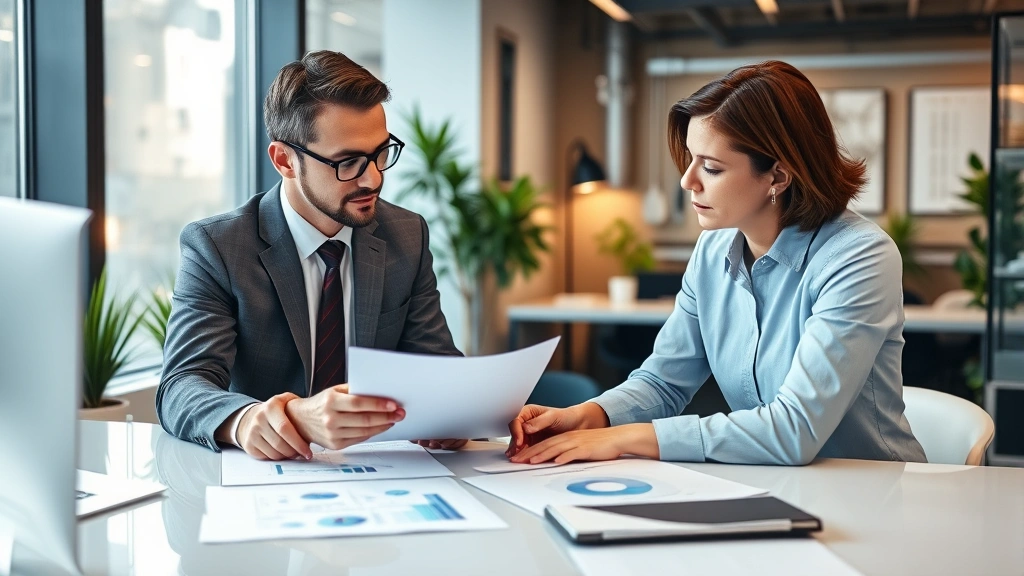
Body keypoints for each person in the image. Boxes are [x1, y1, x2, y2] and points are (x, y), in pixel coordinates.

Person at [507, 61, 926, 466]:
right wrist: (587, 416)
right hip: (776, 488)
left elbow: (795, 430)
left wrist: (624, 439)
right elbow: (663, 382)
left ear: (778, 177)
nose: (688, 180)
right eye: (690, 159)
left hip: (873, 491)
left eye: (711, 167)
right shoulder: (712, 253)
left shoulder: (859, 256)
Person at [157, 50, 465, 460]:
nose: (373, 178)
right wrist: (251, 419)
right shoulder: (218, 247)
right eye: (348, 162)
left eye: (379, 153)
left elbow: (437, 365)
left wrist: (454, 412)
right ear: (285, 160)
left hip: (386, 475)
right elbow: (181, 384)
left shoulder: (407, 235)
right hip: (266, 483)